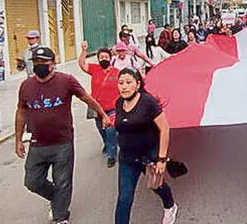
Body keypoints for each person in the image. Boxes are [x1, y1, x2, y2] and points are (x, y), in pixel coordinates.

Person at [15, 47, 111, 224]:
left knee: (63, 182)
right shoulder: (26, 85)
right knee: (32, 181)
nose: (39, 66)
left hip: (62, 143)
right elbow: (21, 111)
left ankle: (61, 217)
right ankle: (58, 198)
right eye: (36, 63)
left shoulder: (66, 81)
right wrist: (18, 139)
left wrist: (103, 114)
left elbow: (86, 98)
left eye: (43, 63)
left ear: (53, 64)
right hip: (37, 144)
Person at [114, 67, 178, 224]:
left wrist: (161, 159)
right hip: (127, 158)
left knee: (157, 186)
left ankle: (170, 206)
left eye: (128, 82)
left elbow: (164, 128)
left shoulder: (148, 102)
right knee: (124, 199)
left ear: (137, 84)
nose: (124, 86)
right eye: (121, 82)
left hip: (148, 156)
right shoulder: (119, 102)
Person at [78, 41, 120, 167]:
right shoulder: (94, 69)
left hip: (112, 108)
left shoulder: (117, 72)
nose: (103, 59)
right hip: (97, 108)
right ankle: (107, 144)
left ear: (110, 58)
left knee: (110, 131)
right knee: (102, 130)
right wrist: (84, 50)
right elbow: (82, 64)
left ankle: (112, 155)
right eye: (101, 57)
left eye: (106, 57)